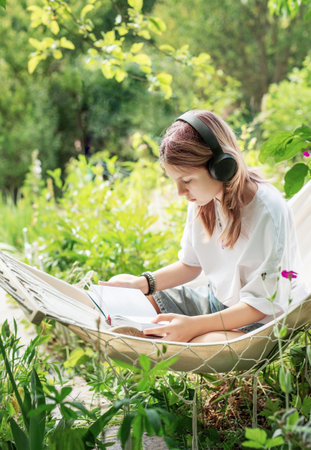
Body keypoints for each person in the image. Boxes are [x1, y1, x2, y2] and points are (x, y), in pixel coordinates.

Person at [100, 110, 308, 343]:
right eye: (175, 182)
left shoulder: (268, 211)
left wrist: (194, 326)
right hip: (215, 303)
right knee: (129, 294)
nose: (180, 192)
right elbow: (190, 265)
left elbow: (259, 305)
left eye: (187, 181)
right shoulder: (203, 199)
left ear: (221, 167)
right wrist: (142, 283)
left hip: (257, 323)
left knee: (206, 343)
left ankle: (190, 338)